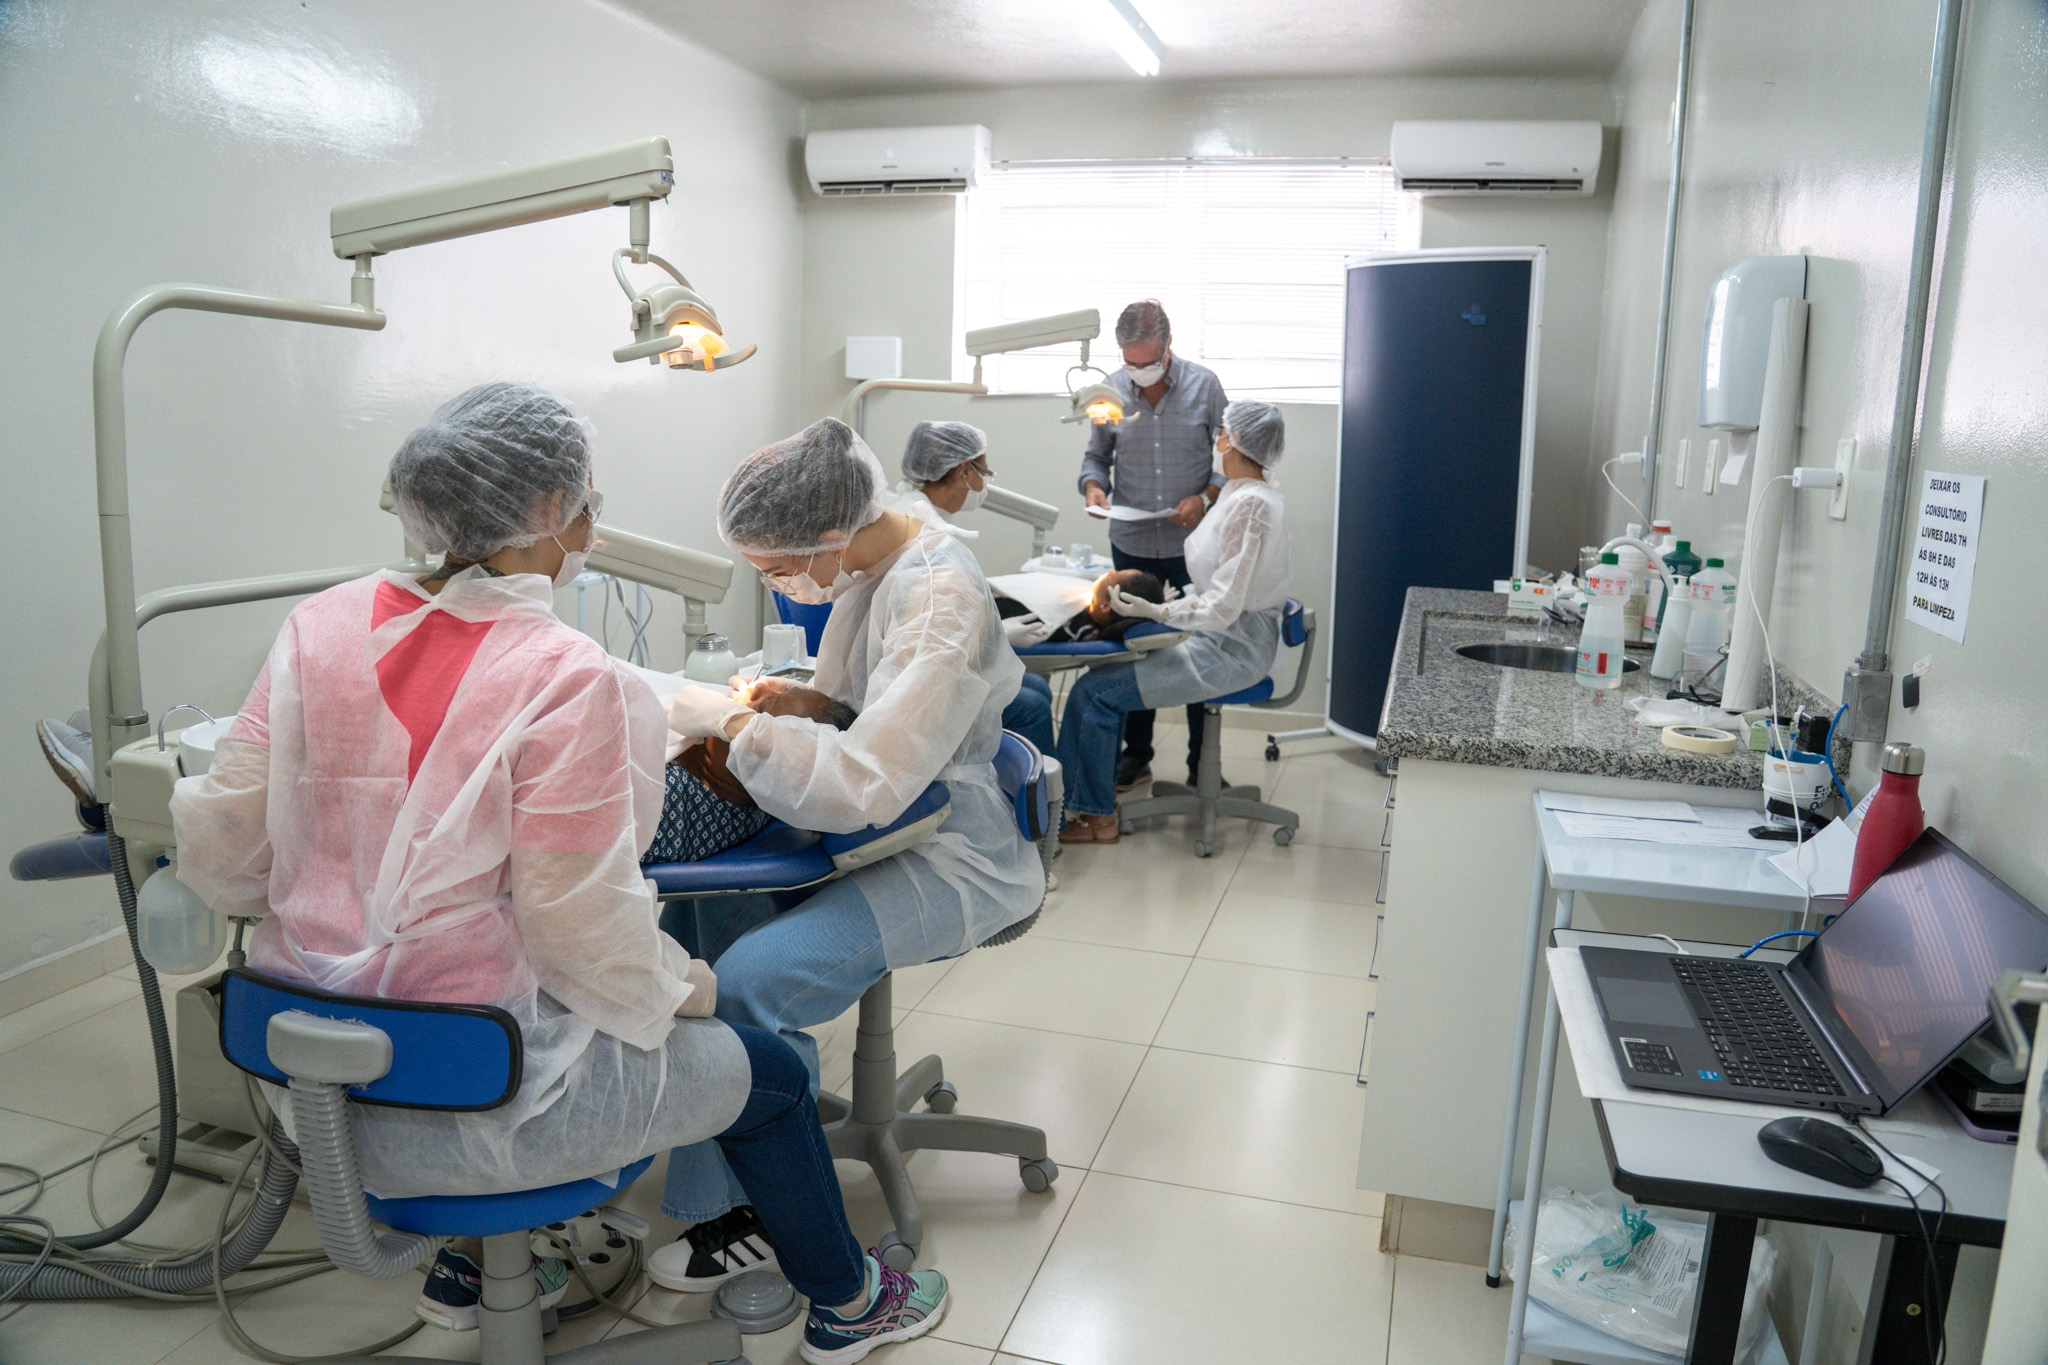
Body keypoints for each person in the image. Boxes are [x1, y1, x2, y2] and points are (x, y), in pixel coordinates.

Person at [169, 385, 948, 1361]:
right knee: (775, 1074)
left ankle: (476, 1266)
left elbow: (222, 854)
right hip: (478, 1091)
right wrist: (694, 993)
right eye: (585, 500)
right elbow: (584, 939)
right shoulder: (569, 677)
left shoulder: (317, 626)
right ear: (544, 510)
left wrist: (359, 916)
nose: (593, 521)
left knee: (563, 1001)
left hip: (305, 1085)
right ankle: (852, 1303)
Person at [651, 417, 1042, 1294]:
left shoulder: (938, 597)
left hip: (949, 853)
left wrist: (740, 724)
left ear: (827, 534)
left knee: (745, 983)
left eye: (774, 568)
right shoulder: (876, 565)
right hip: (889, 825)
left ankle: (749, 1211)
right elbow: (869, 714)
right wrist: (810, 704)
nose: (777, 582)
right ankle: (720, 1167)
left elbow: (870, 782)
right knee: (696, 926)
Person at [1057, 400, 1294, 845]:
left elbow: (1224, 606)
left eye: (1222, 432)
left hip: (1231, 650)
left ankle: (1095, 817)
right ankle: (1091, 804)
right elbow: (1220, 586)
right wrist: (1170, 603)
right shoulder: (1238, 494)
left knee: (1094, 695)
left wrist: (1159, 613)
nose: (1217, 439)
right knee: (1106, 672)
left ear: (1236, 441)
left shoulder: (1252, 507)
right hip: (1214, 635)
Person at [1078, 300, 1229, 792]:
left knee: (1201, 647)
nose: (1138, 371)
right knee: (1135, 649)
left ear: (1168, 348)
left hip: (1194, 544)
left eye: (1147, 361)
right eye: (1130, 362)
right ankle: (1136, 755)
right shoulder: (1110, 392)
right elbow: (1096, 457)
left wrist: (1204, 498)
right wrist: (1093, 488)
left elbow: (1229, 459)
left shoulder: (1205, 386)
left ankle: (1202, 762)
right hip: (1133, 541)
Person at [894, 419, 1054, 756]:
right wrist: (997, 637)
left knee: (1035, 685)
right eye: (986, 472)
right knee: (1033, 704)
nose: (985, 483)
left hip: (924, 663)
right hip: (917, 683)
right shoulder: (924, 531)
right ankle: (1036, 789)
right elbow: (922, 629)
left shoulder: (912, 510)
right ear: (966, 470)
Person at [644, 679, 857, 864]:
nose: (761, 688)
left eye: (762, 706)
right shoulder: (765, 797)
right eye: (784, 690)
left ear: (757, 762)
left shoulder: (659, 805)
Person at [994, 568, 1169, 646]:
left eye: (1112, 576)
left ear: (1106, 606)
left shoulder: (1067, 622)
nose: (1110, 571)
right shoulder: (1083, 603)